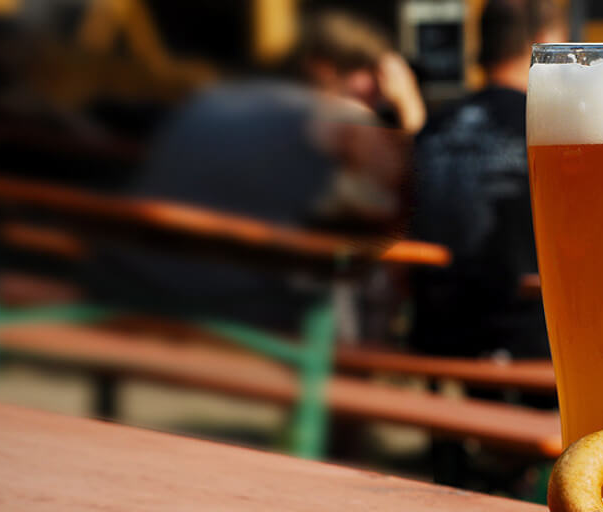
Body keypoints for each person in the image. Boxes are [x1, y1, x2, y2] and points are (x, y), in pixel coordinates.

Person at [85, 10, 425, 332]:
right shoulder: (342, 118)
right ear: (323, 68)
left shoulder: (217, 96)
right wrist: (410, 111)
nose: (381, 93)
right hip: (230, 305)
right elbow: (403, 203)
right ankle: (355, 377)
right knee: (354, 273)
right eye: (372, 75)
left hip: (128, 277)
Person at [409, 0, 567, 359]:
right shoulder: (554, 131)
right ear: (544, 41)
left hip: (439, 339)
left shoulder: (435, 128)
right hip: (532, 343)